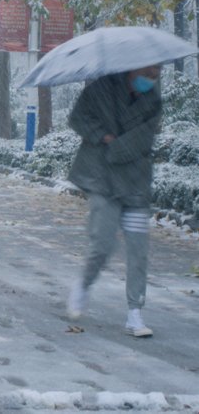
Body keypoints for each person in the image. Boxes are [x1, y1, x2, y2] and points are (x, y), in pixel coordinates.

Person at [65, 65, 162, 337]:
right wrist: (101, 135)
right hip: (103, 180)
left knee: (138, 249)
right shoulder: (101, 89)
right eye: (148, 72)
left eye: (156, 75)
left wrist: (115, 146)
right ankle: (83, 285)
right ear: (134, 68)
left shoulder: (153, 98)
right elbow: (77, 118)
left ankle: (135, 312)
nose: (151, 79)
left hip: (135, 182)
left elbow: (145, 136)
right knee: (102, 244)